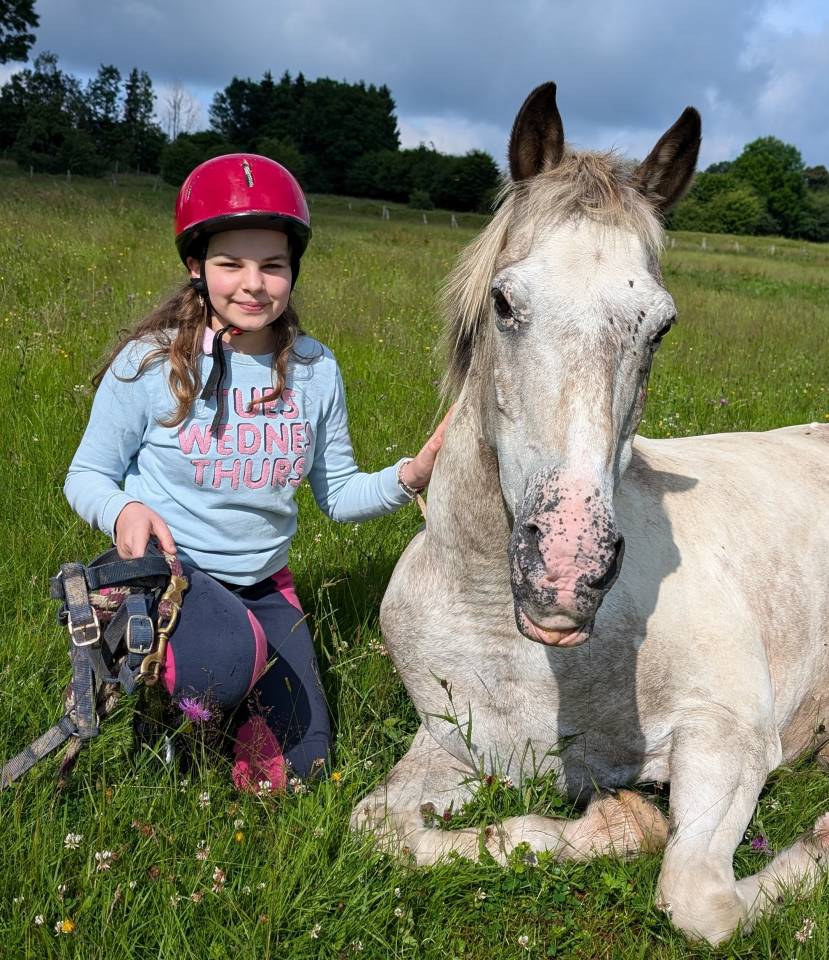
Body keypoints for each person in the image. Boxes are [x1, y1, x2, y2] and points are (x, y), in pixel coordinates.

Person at [64, 154, 450, 791]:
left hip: (264, 583)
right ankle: (163, 695)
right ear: (196, 266)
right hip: (175, 573)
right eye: (230, 264)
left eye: (272, 265)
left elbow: (339, 493)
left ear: (292, 269)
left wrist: (412, 474)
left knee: (303, 771)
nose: (253, 284)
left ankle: (224, 682)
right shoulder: (150, 364)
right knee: (221, 660)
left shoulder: (316, 370)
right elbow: (87, 474)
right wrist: (123, 511)